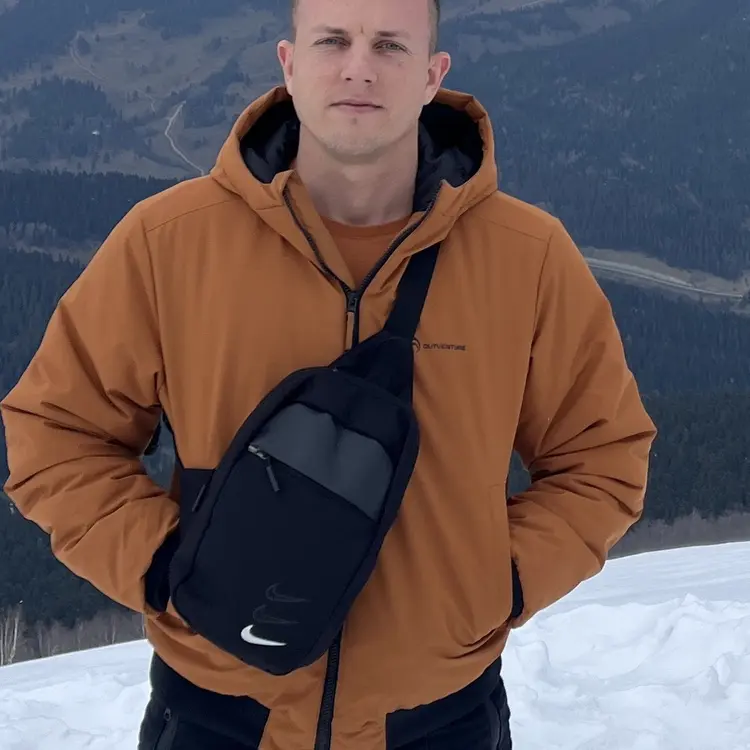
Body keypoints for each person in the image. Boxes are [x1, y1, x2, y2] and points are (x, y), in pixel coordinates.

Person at [0, 0, 657, 747]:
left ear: (433, 75)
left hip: (441, 719)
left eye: (390, 46)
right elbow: (56, 433)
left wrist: (495, 581)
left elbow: (603, 457)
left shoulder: (526, 258)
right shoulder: (169, 243)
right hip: (218, 715)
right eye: (333, 40)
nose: (358, 68)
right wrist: (166, 568)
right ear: (289, 64)